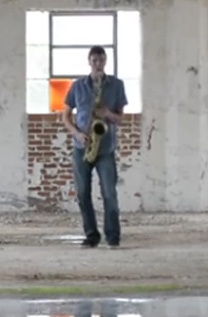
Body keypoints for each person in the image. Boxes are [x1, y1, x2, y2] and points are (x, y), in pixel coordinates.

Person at [62, 45, 128, 249]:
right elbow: (65, 116)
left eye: (101, 60)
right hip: (82, 145)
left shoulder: (117, 85)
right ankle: (91, 235)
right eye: (94, 61)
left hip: (105, 147)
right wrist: (77, 134)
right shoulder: (77, 86)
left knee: (109, 192)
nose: (98, 64)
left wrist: (107, 114)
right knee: (82, 193)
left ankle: (113, 236)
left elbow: (121, 118)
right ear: (89, 62)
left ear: (105, 61)